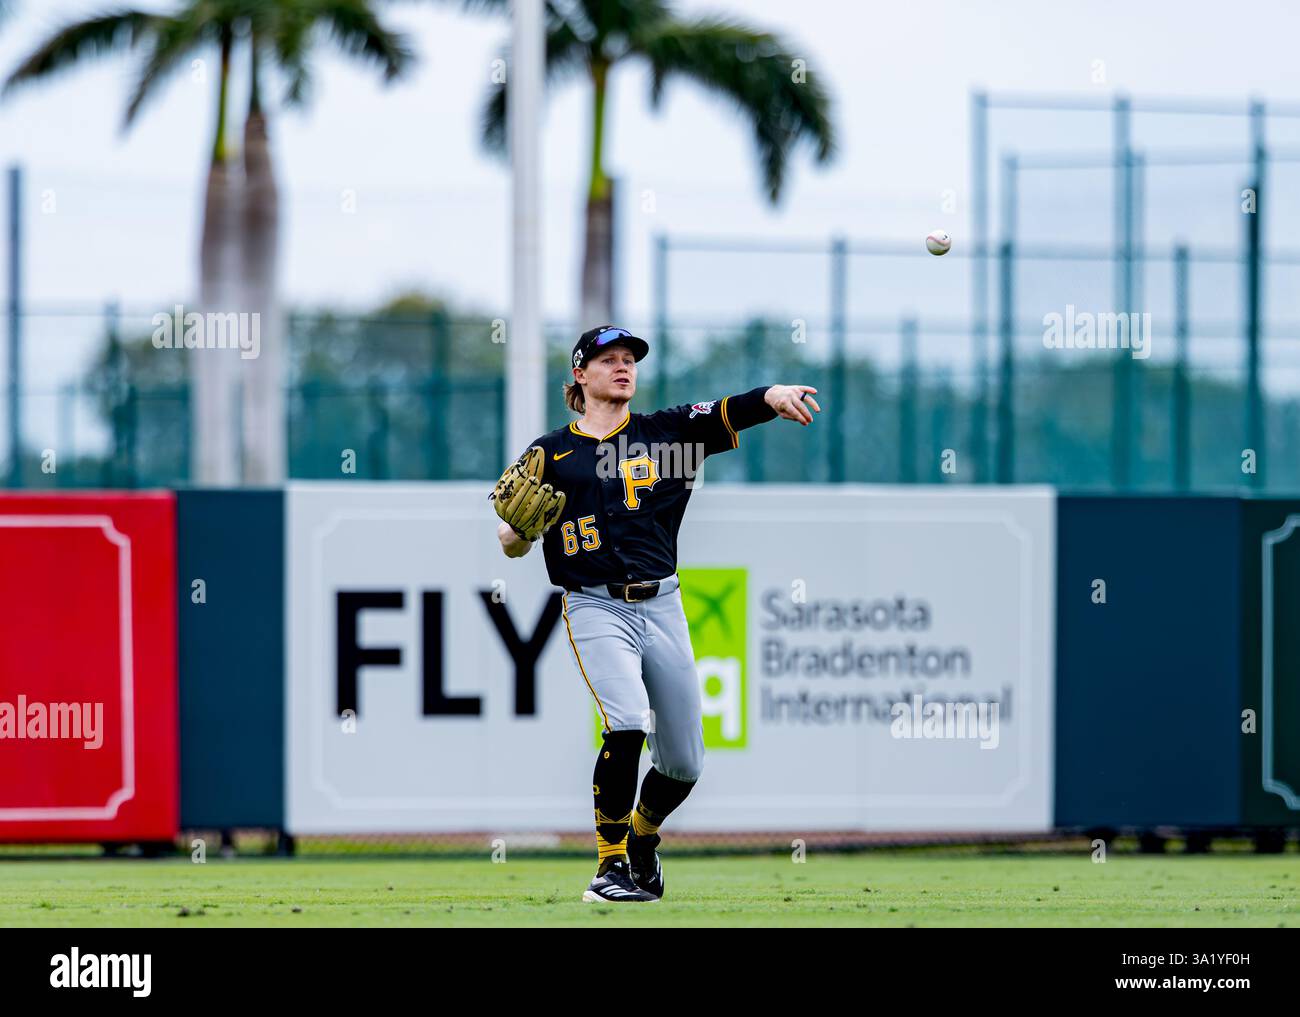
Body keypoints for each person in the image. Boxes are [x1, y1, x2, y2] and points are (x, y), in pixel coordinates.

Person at [495, 324, 820, 902]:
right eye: (608, 359)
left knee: (685, 762)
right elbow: (509, 539)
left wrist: (772, 396)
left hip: (662, 602)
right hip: (595, 604)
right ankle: (609, 866)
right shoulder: (551, 452)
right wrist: (520, 531)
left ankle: (643, 839)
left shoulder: (666, 434)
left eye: (629, 360)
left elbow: (729, 410)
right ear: (580, 374)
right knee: (625, 722)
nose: (623, 367)